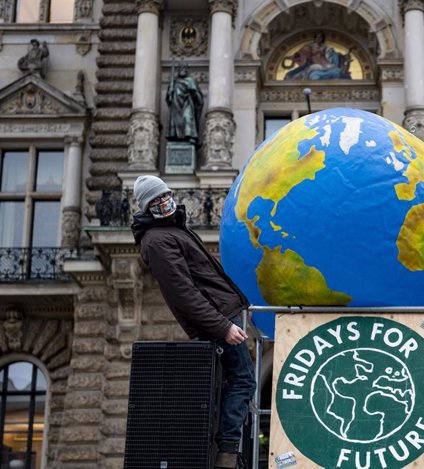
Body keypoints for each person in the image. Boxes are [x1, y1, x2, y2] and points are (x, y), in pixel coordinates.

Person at [131, 175, 255, 469]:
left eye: (166, 195)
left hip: (222, 314)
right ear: (147, 208)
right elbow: (184, 293)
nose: (165, 202)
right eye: (156, 201)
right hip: (217, 320)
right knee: (243, 381)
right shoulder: (158, 240)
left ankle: (226, 451)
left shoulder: (173, 230)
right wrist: (223, 326)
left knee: (229, 384)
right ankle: (226, 454)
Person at [165, 60, 204, 145]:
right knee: (176, 122)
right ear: (178, 69)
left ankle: (190, 136)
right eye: (181, 68)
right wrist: (169, 93)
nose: (183, 69)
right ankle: (174, 136)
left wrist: (194, 93)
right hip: (176, 106)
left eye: (185, 68)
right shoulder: (174, 81)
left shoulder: (191, 81)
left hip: (187, 104)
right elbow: (168, 99)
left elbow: (199, 99)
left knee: (187, 118)